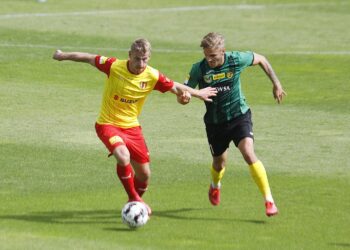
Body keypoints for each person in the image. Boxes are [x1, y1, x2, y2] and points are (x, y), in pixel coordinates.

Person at [52, 38, 217, 215]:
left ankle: (133, 207)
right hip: (108, 124)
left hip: (132, 128)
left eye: (145, 59)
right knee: (123, 156)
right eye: (137, 58)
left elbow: (175, 87)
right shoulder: (114, 66)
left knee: (144, 175)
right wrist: (62, 56)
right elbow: (88, 57)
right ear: (129, 55)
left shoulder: (152, 76)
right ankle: (134, 199)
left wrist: (195, 94)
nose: (141, 63)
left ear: (149, 57)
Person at [178, 32, 286, 217]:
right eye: (206, 55)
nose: (209, 60)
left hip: (239, 116)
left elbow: (261, 59)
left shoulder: (236, 59)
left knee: (248, 153)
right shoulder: (199, 69)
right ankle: (215, 185)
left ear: (223, 51)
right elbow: (183, 92)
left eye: (213, 55)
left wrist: (276, 83)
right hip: (215, 123)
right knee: (219, 164)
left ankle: (269, 200)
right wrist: (185, 98)